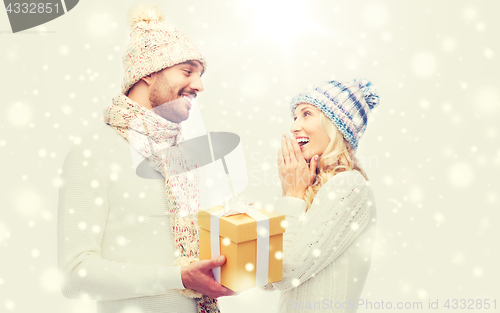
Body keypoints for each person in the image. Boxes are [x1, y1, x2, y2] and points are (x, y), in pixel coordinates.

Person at [57, 2, 233, 313]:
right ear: (149, 74)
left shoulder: (181, 155)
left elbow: (176, 249)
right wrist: (177, 278)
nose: (199, 85)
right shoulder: (94, 153)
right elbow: (76, 275)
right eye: (187, 71)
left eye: (200, 74)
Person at [263, 79, 380, 313]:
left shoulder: (349, 185)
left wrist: (292, 194)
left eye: (306, 114)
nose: (295, 127)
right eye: (294, 117)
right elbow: (266, 280)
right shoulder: (305, 186)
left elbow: (282, 273)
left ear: (335, 125)